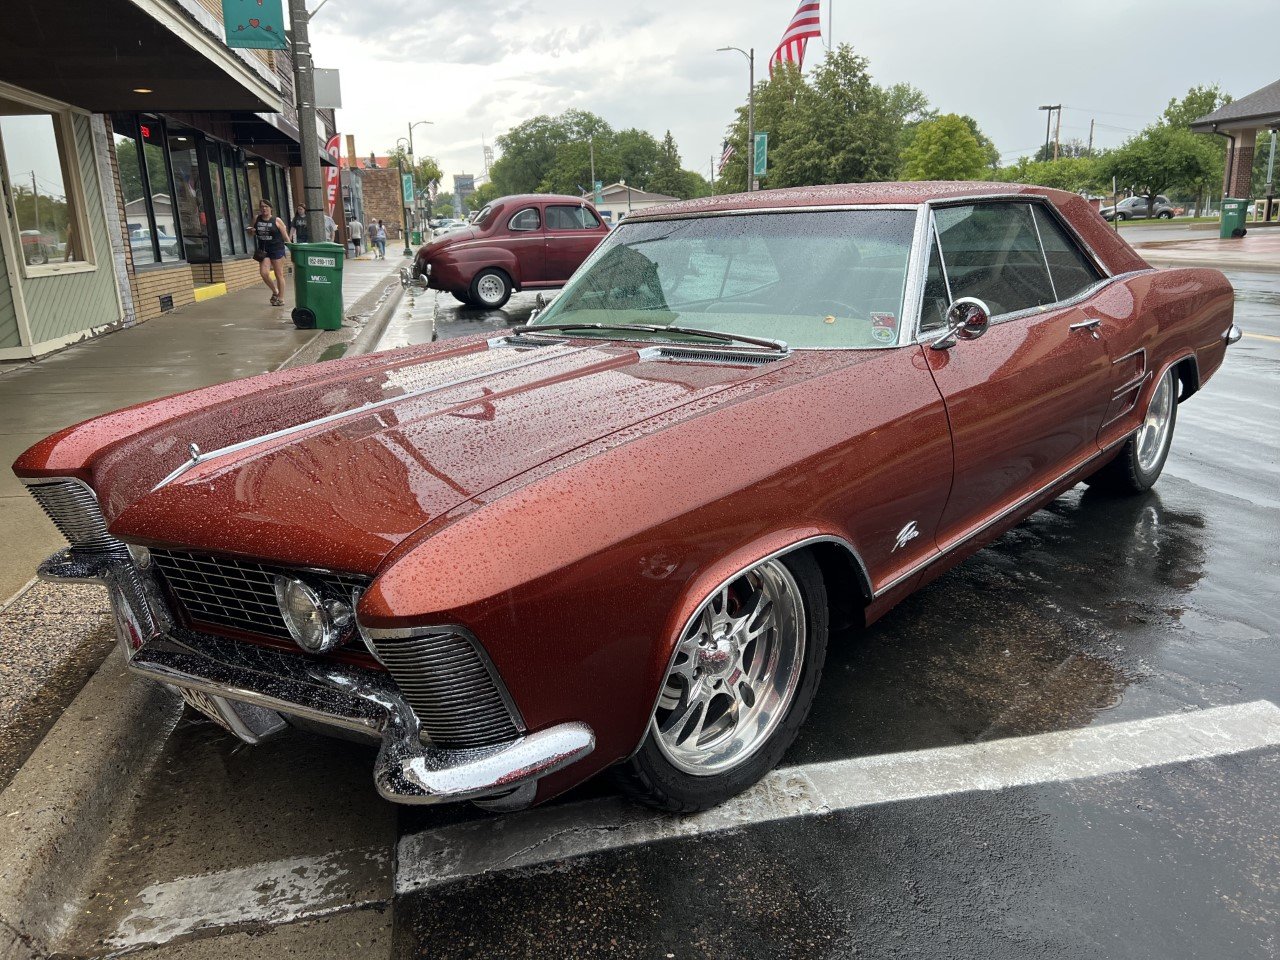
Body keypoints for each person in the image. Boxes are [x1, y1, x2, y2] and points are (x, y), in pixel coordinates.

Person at [248, 200, 289, 307]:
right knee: (263, 272)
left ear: (271, 208)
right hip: (263, 250)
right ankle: (275, 291)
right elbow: (251, 233)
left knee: (278, 274)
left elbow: (285, 236)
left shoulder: (277, 220)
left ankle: (281, 297)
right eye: (262, 207)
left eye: (266, 206)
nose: (264, 209)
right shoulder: (256, 219)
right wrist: (251, 231)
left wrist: (291, 247)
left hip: (277, 249)